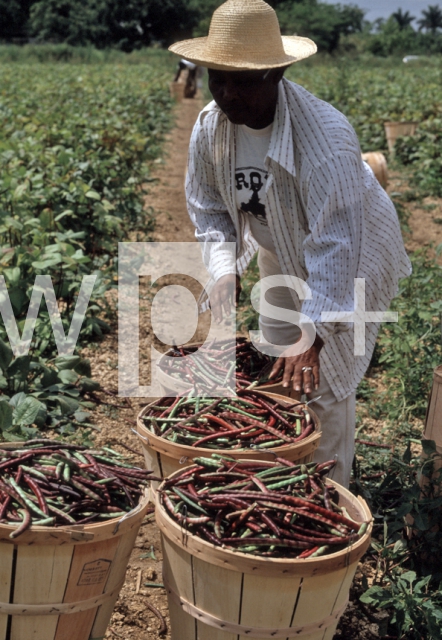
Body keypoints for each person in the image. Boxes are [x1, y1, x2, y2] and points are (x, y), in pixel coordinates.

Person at [169, 0, 411, 487]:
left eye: (244, 80)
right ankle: (281, 481)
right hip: (279, 248)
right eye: (219, 77)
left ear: (276, 74)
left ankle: (329, 490)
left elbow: (336, 243)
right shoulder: (211, 128)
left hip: (352, 259)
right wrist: (223, 269)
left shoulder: (325, 141)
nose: (228, 93)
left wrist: (315, 332)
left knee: (322, 378)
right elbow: (210, 207)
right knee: (280, 367)